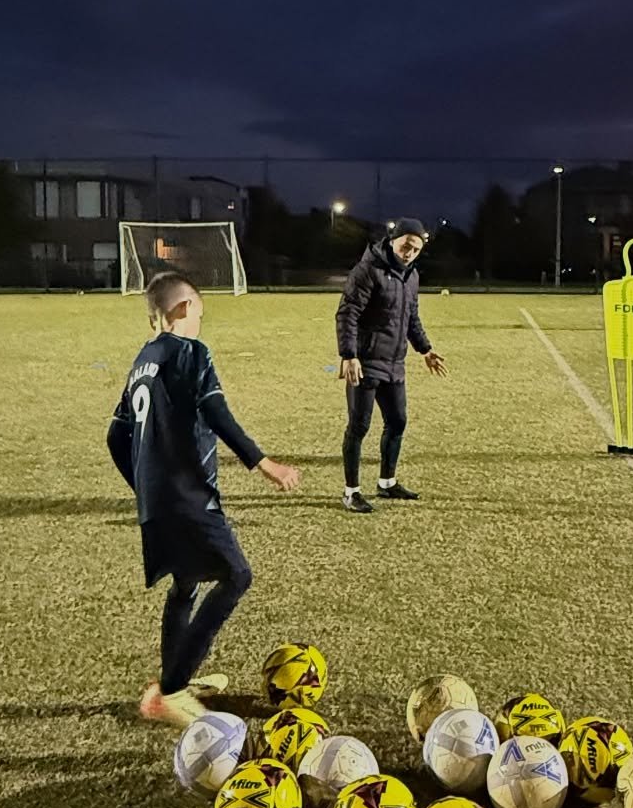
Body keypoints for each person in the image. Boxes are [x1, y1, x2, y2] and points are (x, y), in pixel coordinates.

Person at [108, 270, 300, 728]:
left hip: (158, 503)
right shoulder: (191, 352)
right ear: (183, 309)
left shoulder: (143, 360)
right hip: (190, 497)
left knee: (186, 583)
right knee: (236, 575)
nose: (200, 323)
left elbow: (116, 435)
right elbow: (216, 413)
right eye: (199, 313)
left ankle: (173, 678)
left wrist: (145, 487)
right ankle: (171, 689)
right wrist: (265, 464)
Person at [336, 217, 447, 512]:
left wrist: (426, 350)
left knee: (397, 421)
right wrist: (349, 355)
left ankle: (387, 483)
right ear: (392, 240)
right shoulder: (367, 270)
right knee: (359, 426)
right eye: (405, 245)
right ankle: (351, 491)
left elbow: (411, 318)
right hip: (366, 363)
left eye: (416, 249)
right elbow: (347, 314)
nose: (409, 253)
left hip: (395, 364)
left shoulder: (411, 276)